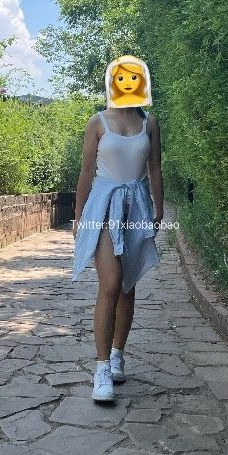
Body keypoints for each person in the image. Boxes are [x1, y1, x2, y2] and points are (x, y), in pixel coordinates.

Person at [71, 55, 165, 402]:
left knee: (128, 284)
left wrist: (157, 208)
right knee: (110, 283)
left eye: (133, 77)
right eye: (121, 78)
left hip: (136, 206)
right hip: (103, 206)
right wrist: (78, 216)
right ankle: (101, 370)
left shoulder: (149, 122)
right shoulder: (97, 122)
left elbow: (155, 169)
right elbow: (85, 173)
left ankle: (117, 355)